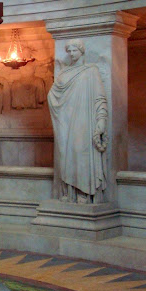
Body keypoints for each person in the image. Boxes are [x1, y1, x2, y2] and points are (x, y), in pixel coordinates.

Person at [48, 40, 108, 204]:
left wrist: (101, 119)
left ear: (81, 51)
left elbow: (100, 97)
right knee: (66, 155)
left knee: (81, 153)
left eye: (74, 50)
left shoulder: (91, 71)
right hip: (66, 120)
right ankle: (69, 191)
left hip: (85, 120)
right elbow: (53, 94)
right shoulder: (65, 73)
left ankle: (84, 191)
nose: (71, 54)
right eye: (69, 51)